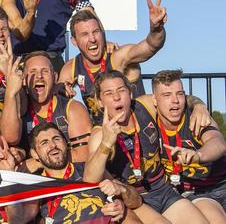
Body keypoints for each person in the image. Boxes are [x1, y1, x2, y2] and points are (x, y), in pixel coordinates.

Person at [84, 70, 210, 224]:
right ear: (99, 101)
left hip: (162, 188)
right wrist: (106, 144)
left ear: (130, 94)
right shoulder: (99, 134)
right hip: (134, 197)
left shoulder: (144, 105)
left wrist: (199, 107)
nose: (117, 97)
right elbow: (89, 179)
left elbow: (179, 98)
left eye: (121, 90)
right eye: (109, 93)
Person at [58, 0, 167, 125]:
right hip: (104, 135)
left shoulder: (118, 56)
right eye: (85, 34)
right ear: (74, 41)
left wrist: (156, 28)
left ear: (103, 33)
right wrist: (60, 90)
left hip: (138, 132)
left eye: (96, 32)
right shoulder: (71, 68)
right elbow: (54, 101)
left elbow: (150, 46)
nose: (92, 39)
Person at [25, 122, 143, 224]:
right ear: (34, 154)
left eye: (56, 139)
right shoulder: (36, 187)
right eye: (44, 142)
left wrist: (122, 192)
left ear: (66, 145)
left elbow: (137, 201)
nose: (52, 145)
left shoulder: (89, 169)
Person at [151, 70, 226, 223]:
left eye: (179, 94)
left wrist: (198, 155)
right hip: (198, 193)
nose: (175, 101)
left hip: (221, 183)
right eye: (167, 95)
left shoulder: (195, 116)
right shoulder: (149, 124)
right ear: (154, 100)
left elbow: (217, 142)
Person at [0, 51, 92, 163]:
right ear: (23, 80)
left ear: (55, 77)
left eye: (45, 71)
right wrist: (10, 91)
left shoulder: (72, 108)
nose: (39, 76)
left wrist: (38, 163)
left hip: (67, 178)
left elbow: (84, 155)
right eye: (33, 72)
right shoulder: (20, 108)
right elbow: (10, 138)